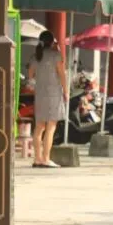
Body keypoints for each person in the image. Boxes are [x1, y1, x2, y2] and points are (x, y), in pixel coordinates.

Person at [28, 31, 68, 169]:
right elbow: (62, 75)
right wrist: (66, 91)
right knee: (51, 127)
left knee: (39, 127)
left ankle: (37, 159)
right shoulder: (56, 55)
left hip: (40, 94)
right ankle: (46, 158)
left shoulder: (35, 56)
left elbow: (30, 75)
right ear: (52, 42)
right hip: (53, 93)